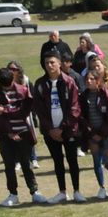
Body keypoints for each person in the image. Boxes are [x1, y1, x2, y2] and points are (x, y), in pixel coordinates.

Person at [32, 52, 85, 204]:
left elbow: (75, 108)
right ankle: (62, 191)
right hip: (50, 132)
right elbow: (39, 110)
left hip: (68, 130)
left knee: (72, 160)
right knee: (57, 161)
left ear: (60, 63)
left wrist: (62, 128)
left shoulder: (69, 82)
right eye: (47, 62)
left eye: (52, 62)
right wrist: (50, 129)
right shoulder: (40, 84)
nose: (50, 65)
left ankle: (77, 191)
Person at [0, 66, 43, 206]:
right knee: (9, 165)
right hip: (5, 134)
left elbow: (23, 112)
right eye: (4, 86)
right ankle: (13, 194)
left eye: (9, 85)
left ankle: (34, 191)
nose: (7, 89)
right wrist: (10, 132)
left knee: (26, 163)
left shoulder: (24, 91)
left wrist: (6, 110)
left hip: (23, 132)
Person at [81, 66, 108, 199]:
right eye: (87, 79)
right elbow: (81, 116)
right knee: (96, 161)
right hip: (92, 135)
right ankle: (101, 187)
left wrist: (101, 133)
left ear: (98, 81)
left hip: (106, 134)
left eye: (91, 79)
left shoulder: (106, 95)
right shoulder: (83, 97)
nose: (89, 81)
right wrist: (91, 133)